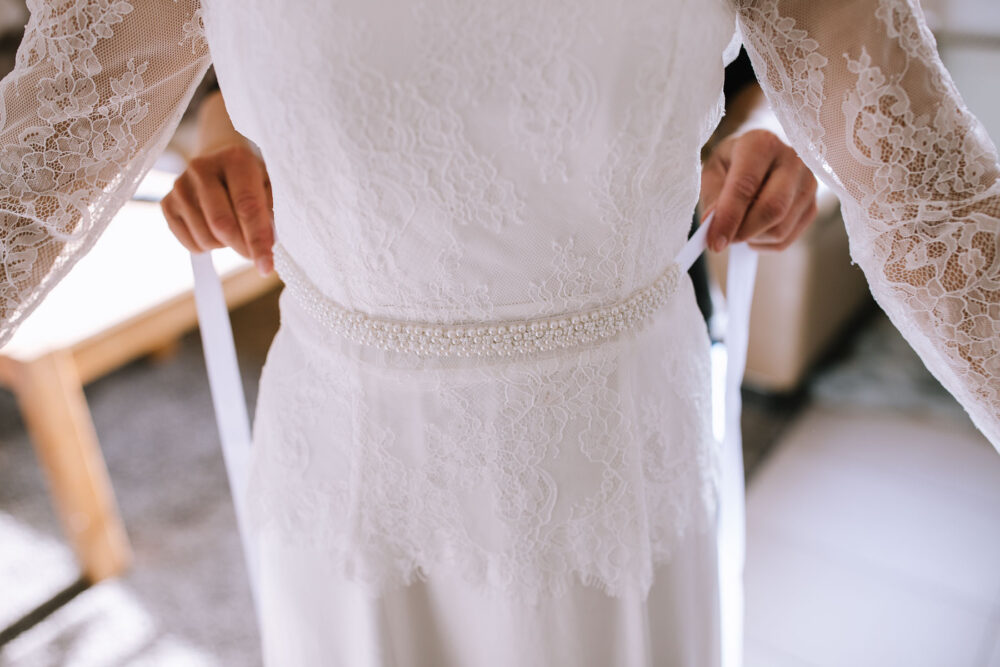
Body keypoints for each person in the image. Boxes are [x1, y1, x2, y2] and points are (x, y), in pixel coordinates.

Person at [0, 2, 997, 665]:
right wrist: (228, 136)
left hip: (614, 455)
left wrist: (763, 127)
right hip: (356, 461)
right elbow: (34, 179)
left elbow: (938, 203)